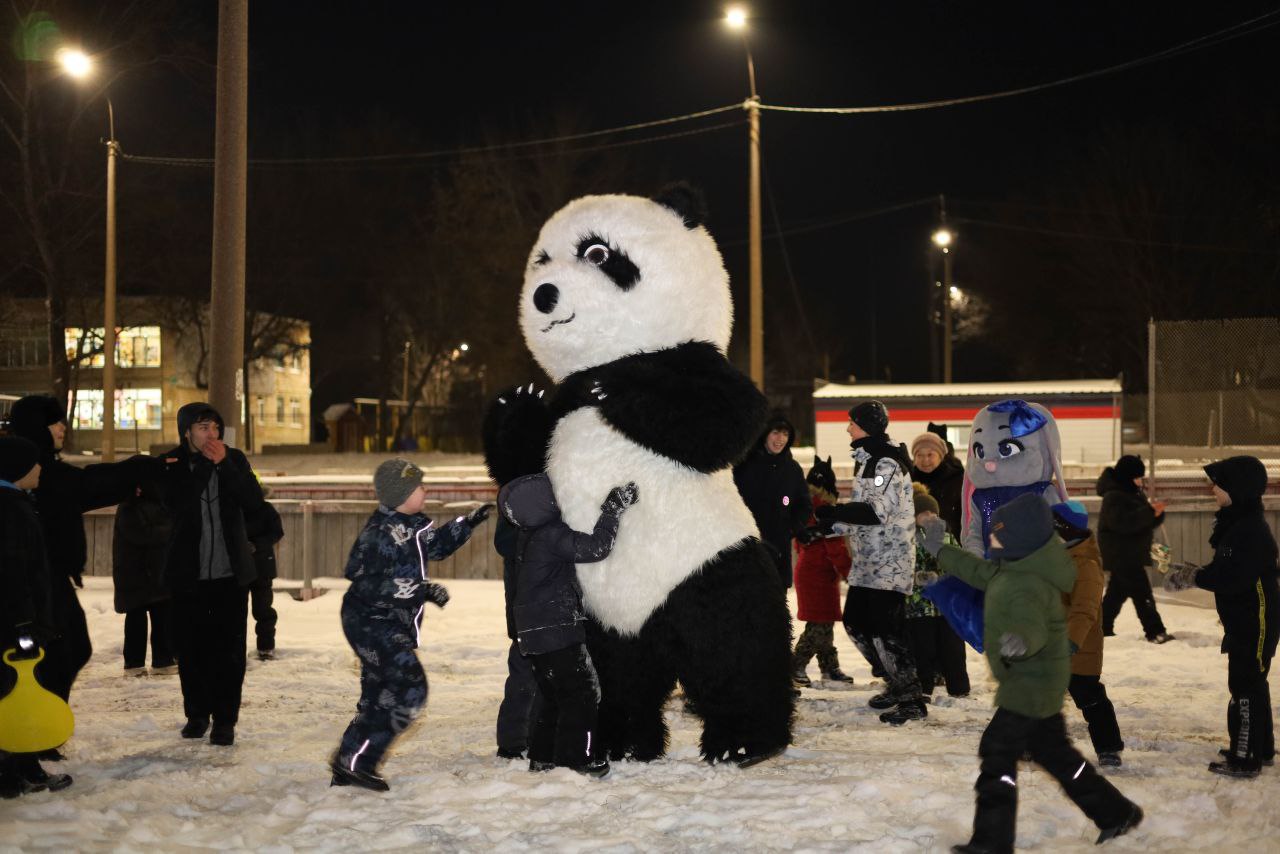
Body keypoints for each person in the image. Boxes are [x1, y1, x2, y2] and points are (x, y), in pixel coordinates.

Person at [920, 493, 1143, 852]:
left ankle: (992, 841)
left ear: (1019, 539)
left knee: (997, 752)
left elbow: (1034, 625)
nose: (990, 539)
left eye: (997, 534)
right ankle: (1116, 812)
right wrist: (939, 550)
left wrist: (1020, 641)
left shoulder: (1030, 583)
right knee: (1055, 754)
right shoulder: (1014, 567)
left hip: (1031, 684)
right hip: (1034, 682)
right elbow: (977, 571)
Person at [330, 458, 491, 791]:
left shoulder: (412, 525)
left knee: (381, 696)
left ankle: (351, 762)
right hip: (372, 623)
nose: (425, 490)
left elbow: (438, 546)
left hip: (389, 624)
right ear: (400, 493)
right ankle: (360, 760)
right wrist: (420, 590)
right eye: (419, 486)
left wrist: (468, 522)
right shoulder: (379, 534)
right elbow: (363, 581)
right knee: (411, 690)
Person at [7, 395, 154, 717]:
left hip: (50, 579)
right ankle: (30, 739)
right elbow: (87, 484)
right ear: (37, 427)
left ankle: (40, 732)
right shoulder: (29, 473)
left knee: (69, 651)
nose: (63, 427)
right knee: (55, 655)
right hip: (32, 587)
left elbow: (84, 488)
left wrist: (133, 479)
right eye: (55, 422)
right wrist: (139, 469)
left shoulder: (43, 470)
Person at [499, 473, 638, 777]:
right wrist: (611, 511)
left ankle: (543, 756)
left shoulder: (528, 536)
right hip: (557, 630)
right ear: (545, 504)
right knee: (584, 693)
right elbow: (597, 548)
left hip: (533, 635)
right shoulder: (551, 535)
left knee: (554, 696)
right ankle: (578, 759)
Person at [156, 403, 269, 747]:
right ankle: (196, 714)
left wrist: (225, 465)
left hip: (229, 575)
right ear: (186, 431)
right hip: (187, 576)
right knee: (190, 651)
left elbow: (253, 501)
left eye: (215, 428)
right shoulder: (172, 463)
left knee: (229, 653)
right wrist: (207, 465)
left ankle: (225, 720)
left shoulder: (233, 459)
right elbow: (178, 504)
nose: (212, 435)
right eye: (203, 427)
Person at [1166, 455, 1278, 779]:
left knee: (1244, 686)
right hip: (1246, 621)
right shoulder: (1238, 524)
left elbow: (1231, 578)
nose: (1213, 489)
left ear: (1237, 488)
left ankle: (1245, 758)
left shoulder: (1248, 530)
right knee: (1253, 684)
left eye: (1220, 483)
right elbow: (1224, 570)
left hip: (1254, 623)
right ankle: (1261, 749)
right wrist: (1197, 572)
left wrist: (1193, 578)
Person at [815, 400, 925, 725]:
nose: (848, 428)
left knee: (887, 631)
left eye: (852, 422)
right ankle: (894, 682)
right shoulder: (867, 462)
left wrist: (835, 512)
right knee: (856, 623)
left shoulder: (886, 464)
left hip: (890, 564)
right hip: (867, 563)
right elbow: (864, 512)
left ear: (867, 425)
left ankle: (911, 698)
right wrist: (830, 525)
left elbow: (876, 511)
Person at [0, 436, 72, 796]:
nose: (41, 468)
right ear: (17, 470)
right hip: (16, 625)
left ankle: (21, 769)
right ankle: (15, 774)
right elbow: (15, 574)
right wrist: (25, 626)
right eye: (34, 464)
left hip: (15, 621)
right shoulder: (10, 510)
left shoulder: (15, 503)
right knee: (16, 694)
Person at [1052, 501, 1125, 768]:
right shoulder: (1060, 557)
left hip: (1079, 649)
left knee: (1090, 698)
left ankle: (1109, 746)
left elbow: (1085, 609)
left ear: (1065, 530)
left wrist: (1072, 641)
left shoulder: (1086, 565)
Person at [1096, 455, 1173, 643]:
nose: (1140, 481)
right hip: (1122, 554)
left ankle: (1100, 628)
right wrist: (1150, 512)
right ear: (1127, 477)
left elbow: (1141, 520)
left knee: (1116, 593)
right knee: (1143, 594)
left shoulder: (1132, 492)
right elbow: (1123, 523)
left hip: (1129, 553)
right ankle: (1155, 631)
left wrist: (1155, 514)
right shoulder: (1114, 497)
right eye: (1137, 477)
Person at [791, 455, 853, 687]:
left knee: (823, 621)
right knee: (819, 623)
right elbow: (835, 547)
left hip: (810, 571)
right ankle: (795, 665)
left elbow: (799, 541)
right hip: (820, 574)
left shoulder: (805, 507)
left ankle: (829, 667)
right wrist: (848, 572)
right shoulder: (826, 510)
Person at [906, 485, 970, 700]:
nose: (929, 517)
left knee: (953, 648)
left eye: (933, 513)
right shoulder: (909, 539)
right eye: (923, 514)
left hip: (945, 606)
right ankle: (924, 687)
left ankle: (959, 687)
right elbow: (907, 566)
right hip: (919, 605)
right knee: (923, 649)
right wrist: (920, 577)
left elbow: (957, 561)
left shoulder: (946, 535)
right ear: (914, 517)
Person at [733, 412, 811, 588]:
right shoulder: (744, 466)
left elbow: (803, 503)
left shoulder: (792, 469)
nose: (780, 439)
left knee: (776, 602)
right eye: (775, 432)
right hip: (748, 548)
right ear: (765, 434)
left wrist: (793, 526)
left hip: (779, 550)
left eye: (785, 434)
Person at [112, 479, 176, 676]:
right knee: (136, 620)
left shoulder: (160, 504)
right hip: (135, 574)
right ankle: (134, 664)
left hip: (156, 572)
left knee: (162, 618)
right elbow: (142, 534)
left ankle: (163, 661)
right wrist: (169, 527)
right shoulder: (128, 507)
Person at [246, 498, 284, 661]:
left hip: (249, 566)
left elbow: (276, 532)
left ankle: (264, 646)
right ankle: (265, 647)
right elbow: (276, 532)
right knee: (263, 609)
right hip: (261, 564)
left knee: (260, 610)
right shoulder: (266, 508)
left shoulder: (233, 505)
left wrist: (253, 545)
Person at [910, 428, 965, 537]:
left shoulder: (957, 479)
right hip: (916, 546)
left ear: (940, 456)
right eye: (919, 455)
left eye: (930, 455)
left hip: (951, 544)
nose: (925, 460)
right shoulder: (907, 481)